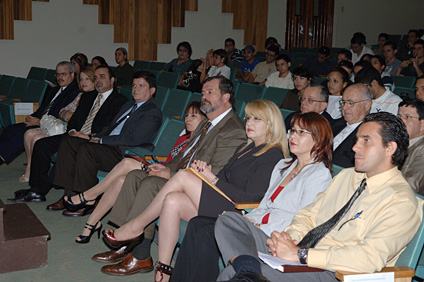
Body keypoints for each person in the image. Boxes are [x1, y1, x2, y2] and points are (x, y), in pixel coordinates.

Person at [216, 112, 422, 282]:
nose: (355, 147)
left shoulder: (400, 201)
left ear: (390, 148)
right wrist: (291, 237)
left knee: (233, 274)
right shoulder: (347, 177)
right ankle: (248, 269)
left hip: (334, 272)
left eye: (365, 141)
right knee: (230, 220)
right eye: (357, 139)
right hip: (301, 253)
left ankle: (247, 271)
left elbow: (368, 258)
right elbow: (309, 214)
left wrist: (301, 255)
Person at [102, 100, 289, 282]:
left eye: (257, 119)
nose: (249, 123)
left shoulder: (273, 154)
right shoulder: (244, 148)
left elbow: (249, 197)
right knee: (172, 200)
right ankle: (163, 269)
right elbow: (222, 178)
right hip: (222, 201)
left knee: (183, 176)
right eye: (248, 118)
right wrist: (204, 172)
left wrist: (211, 178)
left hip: (238, 213)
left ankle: (136, 226)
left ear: (271, 124)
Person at [91, 77, 246, 276]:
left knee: (149, 184)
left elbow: (215, 171)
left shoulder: (233, 129)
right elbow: (183, 155)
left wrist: (170, 174)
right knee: (135, 176)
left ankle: (140, 255)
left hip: (202, 190)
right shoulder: (207, 123)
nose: (204, 97)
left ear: (226, 97)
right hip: (181, 176)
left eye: (210, 92)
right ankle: (124, 244)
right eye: (203, 92)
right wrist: (163, 167)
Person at [170, 112, 333, 282]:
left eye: (301, 132)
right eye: (292, 130)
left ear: (318, 139)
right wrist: (249, 220)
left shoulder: (318, 174)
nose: (293, 136)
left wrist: (260, 226)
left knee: (211, 228)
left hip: (276, 235)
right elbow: (264, 205)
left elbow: (302, 219)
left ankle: (248, 274)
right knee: (199, 224)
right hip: (257, 225)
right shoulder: (283, 165)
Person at [63, 101, 206, 243]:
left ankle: (89, 196)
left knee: (126, 163)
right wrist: (159, 166)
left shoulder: (202, 143)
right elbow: (170, 161)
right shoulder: (183, 138)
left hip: (174, 180)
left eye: (194, 116)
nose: (188, 119)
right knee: (120, 180)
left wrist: (161, 168)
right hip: (161, 168)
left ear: (205, 120)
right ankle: (91, 224)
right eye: (187, 115)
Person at [7, 66, 129, 203]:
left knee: (67, 147)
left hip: (92, 139)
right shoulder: (88, 96)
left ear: (112, 80)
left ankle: (56, 192)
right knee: (41, 144)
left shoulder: (120, 101)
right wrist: (72, 131)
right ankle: (36, 189)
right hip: (74, 135)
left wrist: (89, 136)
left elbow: (110, 127)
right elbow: (74, 120)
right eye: (95, 77)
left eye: (102, 77)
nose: (98, 81)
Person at [49, 71, 163, 212]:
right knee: (69, 141)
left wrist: (101, 141)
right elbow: (110, 127)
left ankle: (87, 199)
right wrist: (91, 137)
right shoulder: (129, 105)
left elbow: (131, 139)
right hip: (109, 145)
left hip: (123, 152)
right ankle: (69, 193)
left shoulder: (152, 112)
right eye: (134, 85)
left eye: (141, 86)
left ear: (152, 91)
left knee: (87, 149)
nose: (135, 89)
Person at [19, 67, 96, 183]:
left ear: (94, 80)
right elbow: (62, 111)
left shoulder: (94, 97)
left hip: (69, 131)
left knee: (37, 139)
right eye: (81, 79)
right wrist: (69, 115)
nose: (83, 82)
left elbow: (85, 119)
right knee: (28, 133)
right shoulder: (81, 95)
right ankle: (30, 166)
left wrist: (72, 116)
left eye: (87, 79)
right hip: (64, 125)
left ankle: (38, 175)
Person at [0, 61, 80, 166]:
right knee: (11, 128)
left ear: (72, 75)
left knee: (20, 133)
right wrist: (32, 117)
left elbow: (60, 114)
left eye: (63, 74)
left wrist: (39, 122)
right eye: (58, 74)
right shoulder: (54, 90)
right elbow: (43, 109)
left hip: (53, 126)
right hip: (40, 120)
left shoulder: (75, 91)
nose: (60, 77)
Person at [332, 84, 372, 168]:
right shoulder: (334, 124)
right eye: (343, 102)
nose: (345, 107)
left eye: (350, 103)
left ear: (367, 105)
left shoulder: (369, 135)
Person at [398, 99, 424, 194]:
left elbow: (410, 186)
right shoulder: (394, 142)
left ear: (422, 124)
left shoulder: (422, 150)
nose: (400, 121)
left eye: (407, 117)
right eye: (399, 116)